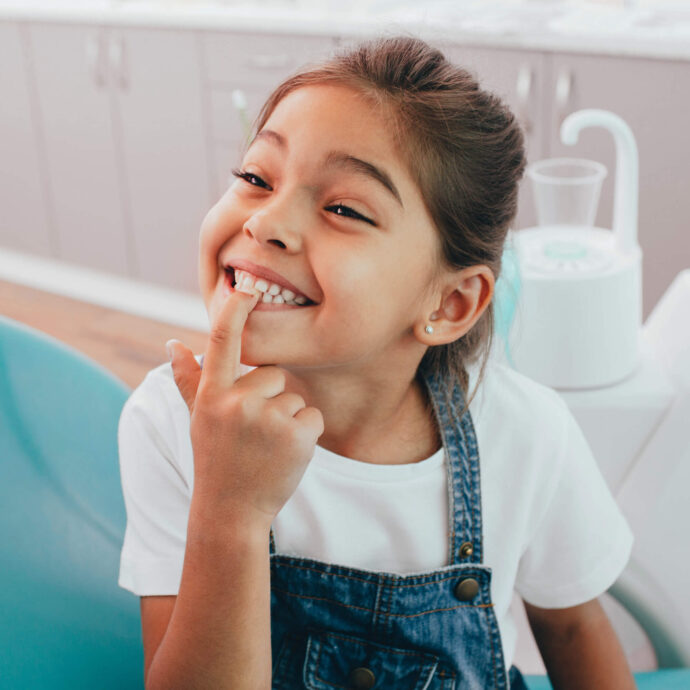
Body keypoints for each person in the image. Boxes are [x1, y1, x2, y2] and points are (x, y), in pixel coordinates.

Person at [117, 35, 636, 689]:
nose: (267, 221)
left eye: (342, 208)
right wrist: (229, 510)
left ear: (448, 303)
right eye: (256, 177)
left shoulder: (529, 434)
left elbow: (572, 627)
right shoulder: (169, 421)